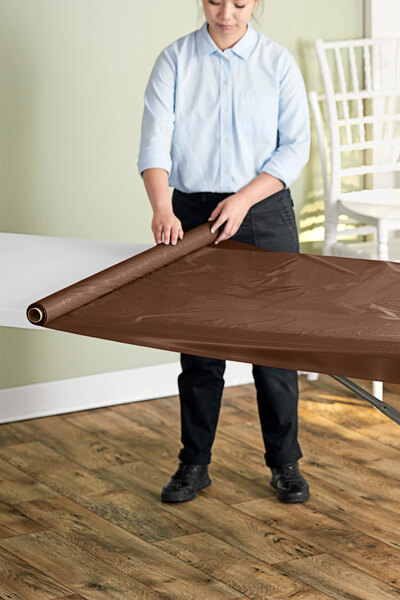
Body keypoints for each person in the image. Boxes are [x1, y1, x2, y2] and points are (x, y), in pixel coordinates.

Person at [137, 0, 310, 503]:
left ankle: (285, 464)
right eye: (216, 0)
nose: (227, 13)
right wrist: (162, 208)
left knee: (273, 349)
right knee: (200, 349)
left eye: (240, 2)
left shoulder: (277, 63)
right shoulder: (174, 60)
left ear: (257, 3)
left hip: (262, 209)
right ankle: (193, 465)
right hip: (190, 214)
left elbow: (295, 145)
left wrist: (243, 199)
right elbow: (154, 142)